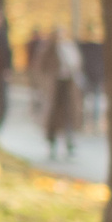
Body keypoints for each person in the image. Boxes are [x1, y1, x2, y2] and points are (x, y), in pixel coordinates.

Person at [35, 26, 82, 158]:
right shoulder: (49, 48)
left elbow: (76, 64)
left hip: (68, 85)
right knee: (53, 115)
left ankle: (70, 141)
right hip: (55, 85)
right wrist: (45, 82)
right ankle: (52, 142)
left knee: (69, 114)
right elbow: (41, 66)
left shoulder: (69, 47)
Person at [79, 36, 106, 134]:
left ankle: (92, 122)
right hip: (94, 76)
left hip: (92, 76)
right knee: (91, 100)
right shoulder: (98, 49)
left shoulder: (84, 48)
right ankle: (92, 122)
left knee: (91, 100)